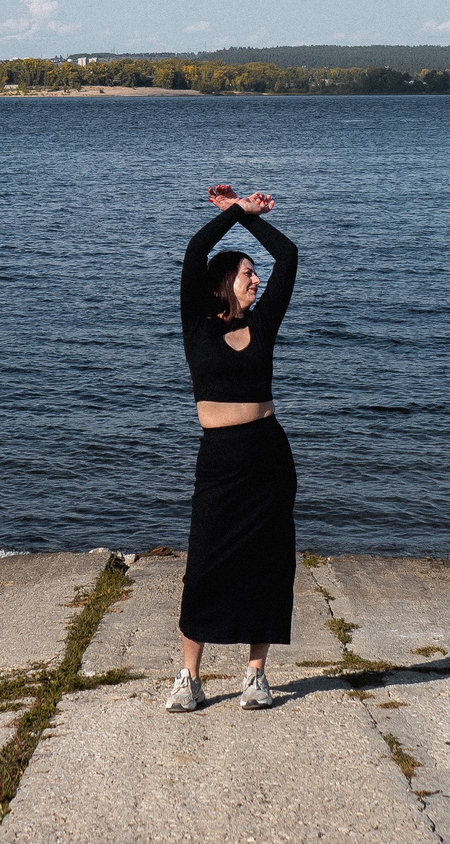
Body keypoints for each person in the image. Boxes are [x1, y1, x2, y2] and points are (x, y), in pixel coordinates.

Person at [167, 183, 301, 713]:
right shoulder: (195, 328)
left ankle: (255, 675)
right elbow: (195, 253)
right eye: (248, 273)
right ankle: (189, 678)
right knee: (204, 560)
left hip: (269, 454)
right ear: (225, 281)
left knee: (269, 562)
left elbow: (287, 255)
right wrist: (234, 212)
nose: (256, 279)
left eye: (255, 274)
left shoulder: (263, 324)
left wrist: (250, 221)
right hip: (220, 460)